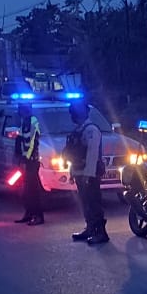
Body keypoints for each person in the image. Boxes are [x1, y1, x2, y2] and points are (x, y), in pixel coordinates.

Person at [66, 100, 108, 245]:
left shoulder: (91, 130)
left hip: (90, 174)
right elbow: (73, 154)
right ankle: (90, 229)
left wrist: (88, 176)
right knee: (85, 203)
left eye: (74, 112)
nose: (72, 116)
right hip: (80, 172)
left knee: (94, 203)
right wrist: (72, 172)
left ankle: (100, 233)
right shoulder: (79, 130)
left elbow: (92, 154)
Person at [14, 103, 46, 226]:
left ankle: (38, 216)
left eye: (21, 109)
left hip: (32, 160)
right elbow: (21, 138)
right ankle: (29, 213)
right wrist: (19, 155)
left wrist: (26, 158)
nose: (19, 111)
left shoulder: (33, 122)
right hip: (26, 160)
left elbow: (33, 142)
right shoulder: (24, 121)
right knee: (26, 190)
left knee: (33, 190)